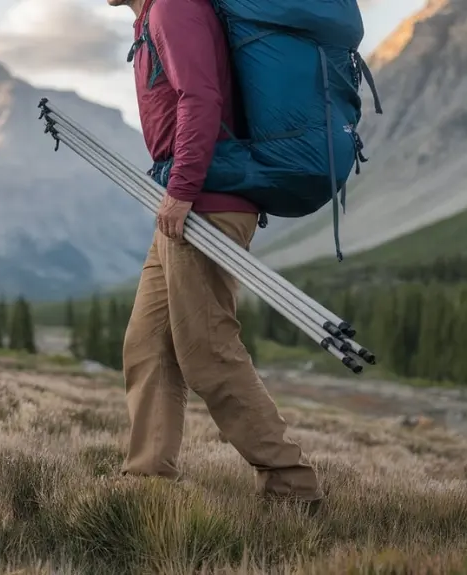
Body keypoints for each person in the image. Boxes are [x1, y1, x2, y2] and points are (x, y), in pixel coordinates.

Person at [110, 0, 324, 510]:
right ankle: (148, 481)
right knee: (147, 345)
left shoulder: (172, 8)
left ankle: (291, 485)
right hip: (188, 204)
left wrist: (182, 189)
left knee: (207, 350)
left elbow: (200, 98)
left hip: (205, 203)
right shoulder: (151, 18)